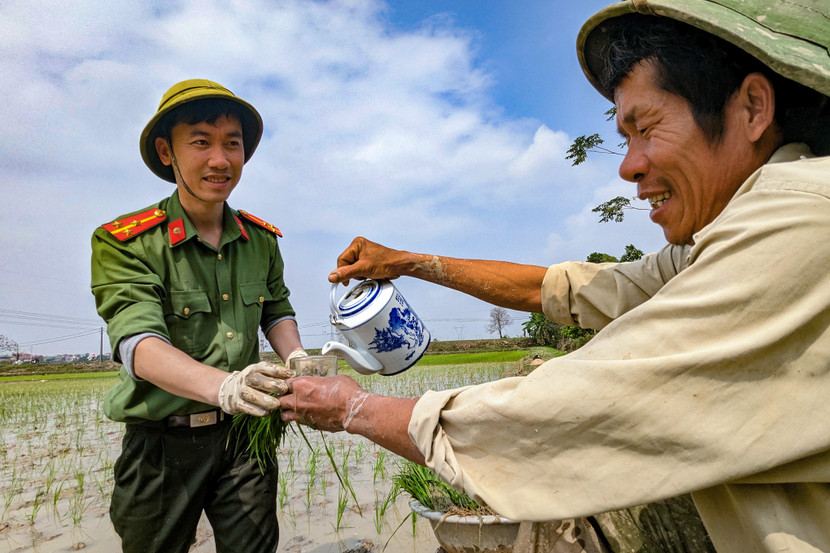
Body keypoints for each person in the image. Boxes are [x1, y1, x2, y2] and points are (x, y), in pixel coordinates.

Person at [277, 1, 830, 552]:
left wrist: (354, 407)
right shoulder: (726, 234)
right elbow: (568, 289)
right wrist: (409, 263)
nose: (628, 165)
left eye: (646, 127)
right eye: (625, 137)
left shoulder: (800, 219)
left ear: (752, 108)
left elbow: (588, 404)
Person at [90, 79, 307, 553]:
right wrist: (225, 386)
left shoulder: (261, 240)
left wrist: (299, 361)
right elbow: (138, 344)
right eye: (202, 142)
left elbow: (276, 309)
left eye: (233, 143)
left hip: (247, 437)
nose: (220, 159)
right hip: (162, 445)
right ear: (167, 152)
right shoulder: (124, 242)